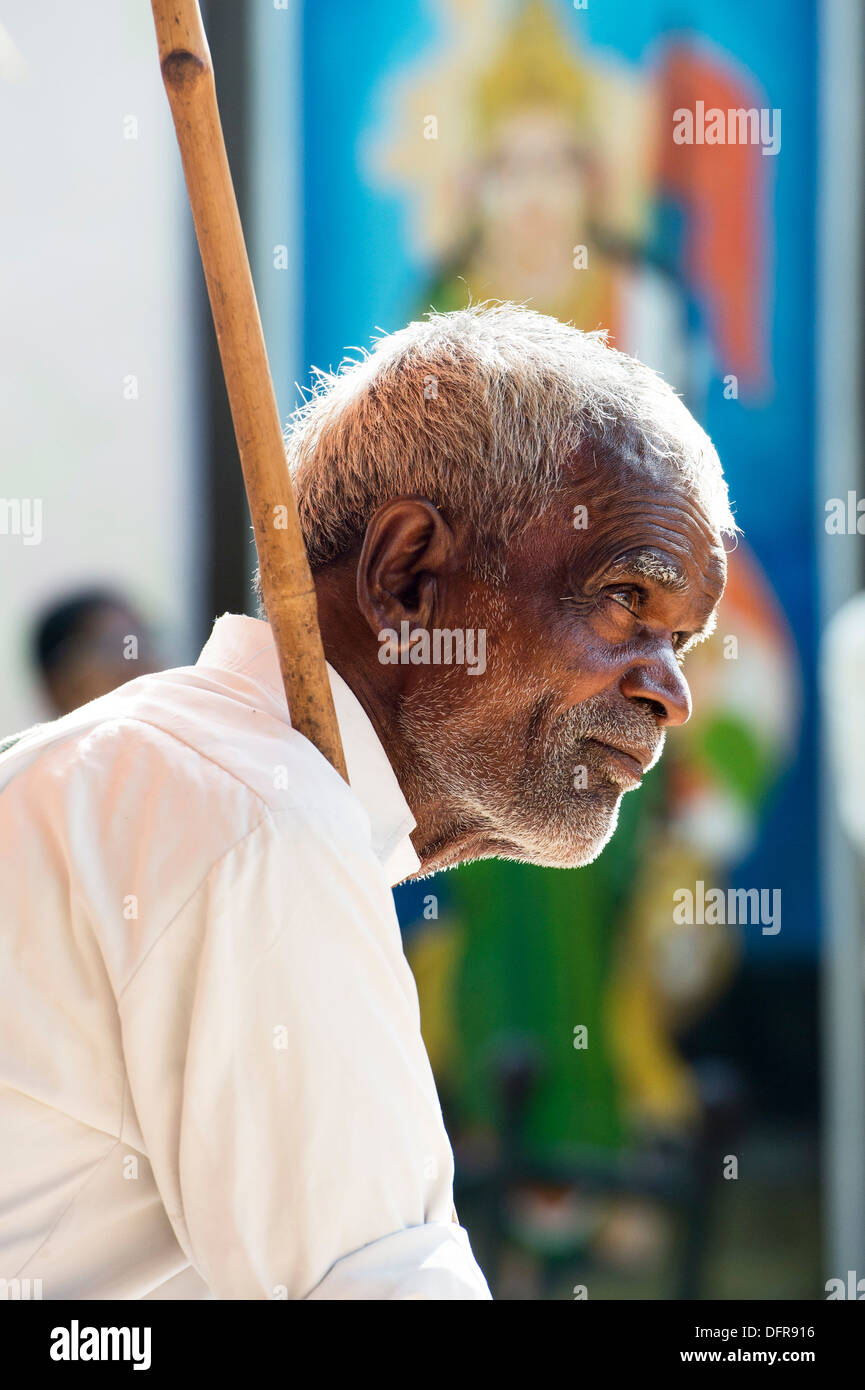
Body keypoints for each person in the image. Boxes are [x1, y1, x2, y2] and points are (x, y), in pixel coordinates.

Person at [0, 303, 731, 1300]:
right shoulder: (254, 823)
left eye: (680, 643)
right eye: (624, 600)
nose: (670, 691)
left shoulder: (172, 780)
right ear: (407, 578)